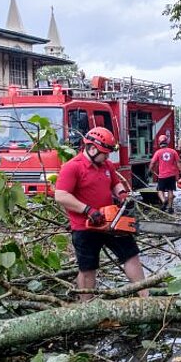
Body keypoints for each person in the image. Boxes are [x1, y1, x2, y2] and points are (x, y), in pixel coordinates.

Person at [55, 127, 148, 301]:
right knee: (88, 269)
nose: (107, 157)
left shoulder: (106, 165)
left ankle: (145, 296)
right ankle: (87, 308)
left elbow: (115, 183)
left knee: (131, 255)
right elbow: (60, 195)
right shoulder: (72, 167)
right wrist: (87, 210)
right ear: (92, 148)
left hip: (112, 221)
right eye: (105, 153)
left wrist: (121, 195)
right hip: (85, 226)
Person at [149, 134, 181, 213]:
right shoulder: (173, 151)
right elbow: (178, 162)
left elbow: (152, 162)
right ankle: (170, 208)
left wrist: (149, 170)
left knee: (159, 190)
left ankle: (164, 201)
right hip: (172, 175)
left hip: (162, 176)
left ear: (159, 143)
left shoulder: (158, 152)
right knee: (170, 190)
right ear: (166, 142)